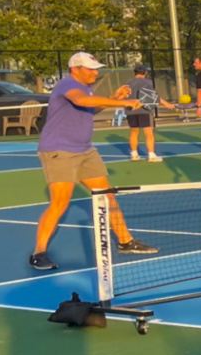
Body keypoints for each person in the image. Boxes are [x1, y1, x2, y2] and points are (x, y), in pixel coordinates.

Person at [29, 52, 158, 271]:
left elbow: (90, 107)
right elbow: (81, 100)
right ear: (75, 69)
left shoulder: (86, 87)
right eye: (90, 69)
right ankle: (38, 253)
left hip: (85, 151)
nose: (95, 73)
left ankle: (125, 242)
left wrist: (114, 98)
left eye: (96, 69)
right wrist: (124, 101)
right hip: (59, 151)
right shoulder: (67, 85)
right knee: (59, 203)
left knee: (107, 196)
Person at [123, 64, 162, 161]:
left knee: (133, 131)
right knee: (148, 133)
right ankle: (151, 155)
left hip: (130, 109)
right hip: (144, 109)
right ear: (145, 72)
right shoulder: (148, 82)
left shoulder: (128, 82)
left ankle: (134, 154)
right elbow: (151, 96)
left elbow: (125, 95)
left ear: (135, 72)